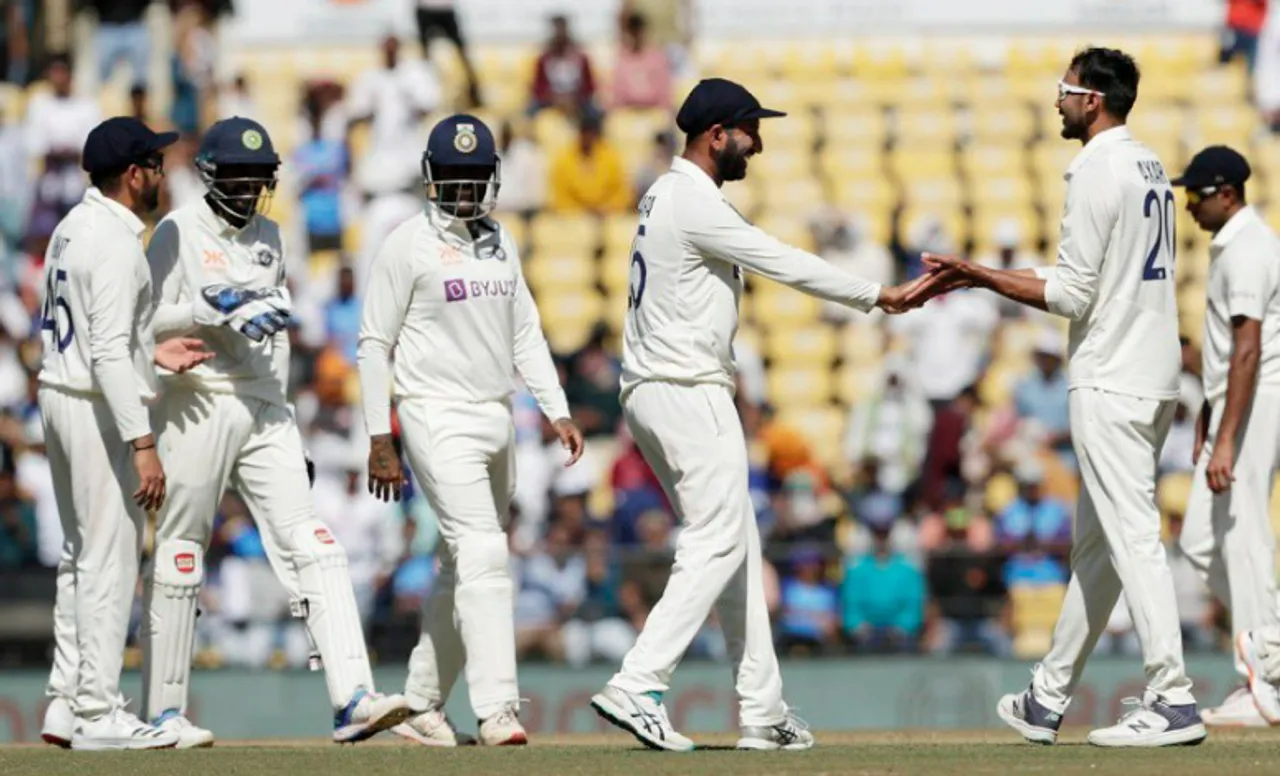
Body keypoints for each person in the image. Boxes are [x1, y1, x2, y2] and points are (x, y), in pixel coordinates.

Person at [588, 77, 934, 753]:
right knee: (717, 537)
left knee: (735, 542)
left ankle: (763, 710)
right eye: (750, 129)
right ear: (717, 134)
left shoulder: (665, 192)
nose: (759, 142)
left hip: (654, 389)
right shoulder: (694, 201)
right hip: (687, 387)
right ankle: (640, 682)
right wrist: (878, 294)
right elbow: (782, 260)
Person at [914, 48, 1206, 747]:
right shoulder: (1147, 164)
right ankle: (1047, 697)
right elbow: (1088, 276)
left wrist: (977, 275)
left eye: (1065, 90)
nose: (1057, 102)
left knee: (1129, 535)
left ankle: (1171, 696)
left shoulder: (1095, 168)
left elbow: (1072, 293)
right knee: (1099, 550)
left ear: (1094, 99)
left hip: (1111, 374)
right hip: (1151, 370)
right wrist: (985, 273)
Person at [139, 116, 411, 748]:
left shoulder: (270, 235)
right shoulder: (178, 230)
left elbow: (277, 334)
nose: (247, 188)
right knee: (182, 550)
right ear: (209, 175)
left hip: (264, 407)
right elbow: (142, 319)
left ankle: (354, 698)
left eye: (258, 178)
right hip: (198, 399)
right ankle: (162, 713)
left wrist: (287, 419)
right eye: (236, 176)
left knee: (316, 543)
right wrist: (214, 306)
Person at [358, 114, 584, 747]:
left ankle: (423, 705)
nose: (465, 189)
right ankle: (498, 709)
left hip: (496, 413)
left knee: (461, 567)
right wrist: (382, 437)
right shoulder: (406, 243)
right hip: (434, 411)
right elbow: (374, 344)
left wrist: (556, 408)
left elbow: (525, 333)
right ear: (431, 177)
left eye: (476, 177)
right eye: (454, 178)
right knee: (485, 551)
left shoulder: (501, 241)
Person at [37, 117, 213, 751]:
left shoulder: (71, 226)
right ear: (134, 174)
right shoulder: (114, 244)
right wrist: (143, 445)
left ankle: (64, 700)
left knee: (79, 555)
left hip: (61, 393)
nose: (165, 175)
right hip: (92, 406)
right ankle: (98, 712)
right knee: (109, 559)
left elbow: (103, 337)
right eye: (157, 166)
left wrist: (150, 351)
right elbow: (108, 354)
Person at [1170, 146, 1280, 727]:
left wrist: (1230, 436)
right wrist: (1212, 416)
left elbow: (1248, 349)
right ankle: (1272, 649)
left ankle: (1269, 681)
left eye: (1197, 194)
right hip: (1239, 401)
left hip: (1261, 399)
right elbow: (1227, 354)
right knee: (1199, 543)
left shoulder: (1250, 249)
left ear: (1228, 193)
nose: (1188, 204)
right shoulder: (1233, 245)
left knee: (1244, 535)